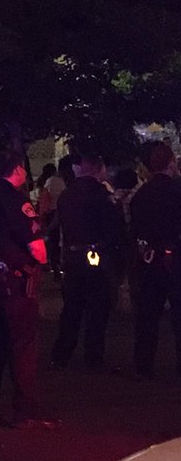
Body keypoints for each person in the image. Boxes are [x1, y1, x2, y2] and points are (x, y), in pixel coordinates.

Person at [0, 150, 57, 429]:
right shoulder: (16, 201)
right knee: (23, 348)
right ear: (17, 170)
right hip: (15, 287)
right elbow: (37, 249)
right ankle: (25, 411)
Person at [50, 152, 123, 371]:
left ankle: (61, 354)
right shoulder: (101, 195)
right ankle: (93, 356)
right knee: (97, 308)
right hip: (96, 255)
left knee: (72, 307)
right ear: (99, 169)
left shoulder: (66, 195)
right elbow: (113, 227)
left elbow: (58, 228)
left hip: (72, 256)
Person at [128, 142, 181, 379]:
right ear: (171, 163)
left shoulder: (142, 195)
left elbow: (135, 228)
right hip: (176, 255)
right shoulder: (177, 190)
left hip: (150, 257)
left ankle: (143, 365)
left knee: (148, 314)